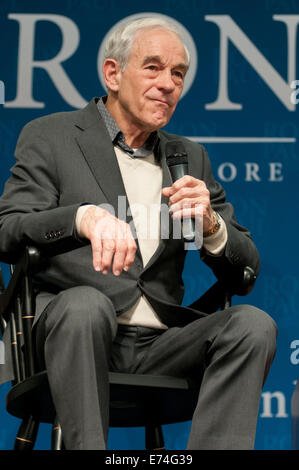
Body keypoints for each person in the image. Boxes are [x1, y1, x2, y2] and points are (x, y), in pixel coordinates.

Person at [0, 17, 277, 450]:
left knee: (252, 325)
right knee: (85, 306)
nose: (167, 83)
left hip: (160, 343)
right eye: (152, 67)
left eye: (178, 74)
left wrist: (211, 225)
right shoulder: (51, 137)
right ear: (113, 74)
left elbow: (247, 270)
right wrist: (82, 219)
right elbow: (9, 230)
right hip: (75, 332)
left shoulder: (190, 157)